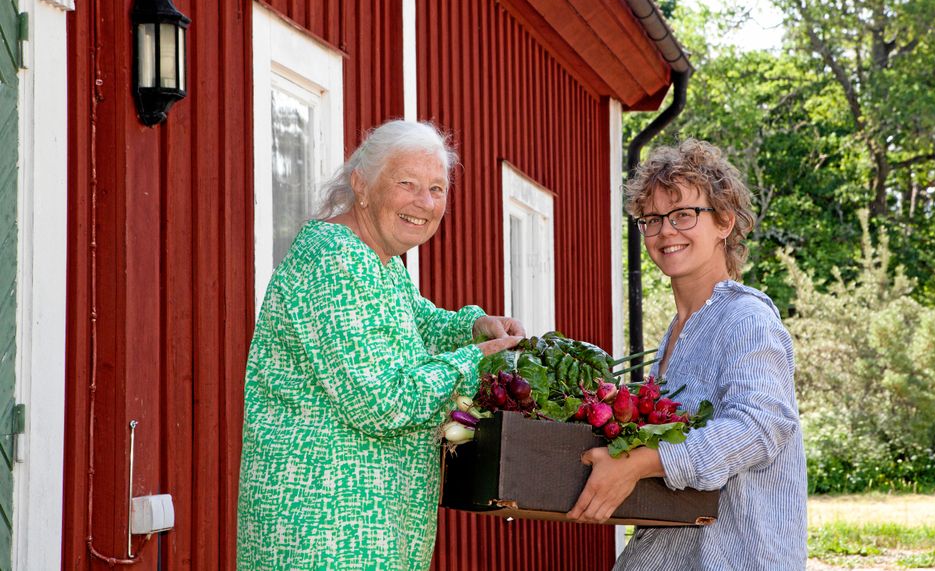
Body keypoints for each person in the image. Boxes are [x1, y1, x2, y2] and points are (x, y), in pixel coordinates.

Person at [236, 120, 524, 571]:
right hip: (327, 528)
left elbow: (415, 322)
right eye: (407, 183)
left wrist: (472, 327)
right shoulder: (336, 260)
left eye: (436, 189)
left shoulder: (377, 262)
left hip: (369, 525)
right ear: (361, 185)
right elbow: (380, 402)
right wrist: (472, 362)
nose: (425, 202)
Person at [568, 139, 807, 569]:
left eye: (683, 214)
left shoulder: (746, 319)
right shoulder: (678, 333)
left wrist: (642, 462)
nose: (665, 231)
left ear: (724, 222)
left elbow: (759, 426)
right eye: (652, 219)